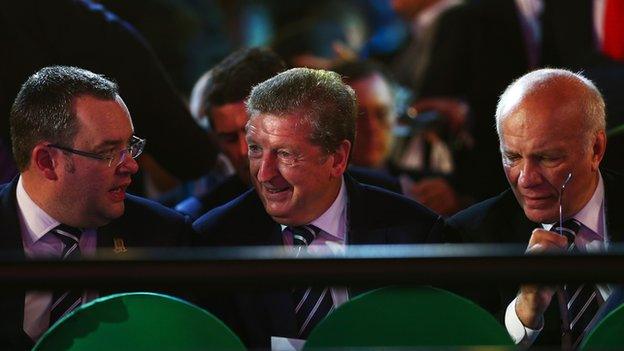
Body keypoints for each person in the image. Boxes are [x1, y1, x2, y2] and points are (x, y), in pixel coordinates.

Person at [193, 67, 444, 348]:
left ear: (337, 158)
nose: (264, 173)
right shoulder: (216, 239)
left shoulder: (414, 234)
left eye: (285, 154)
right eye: (255, 149)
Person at [0, 66, 192, 349]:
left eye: (131, 146)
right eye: (109, 152)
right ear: (46, 161)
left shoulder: (164, 235)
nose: (131, 165)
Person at [445, 68, 623, 348]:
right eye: (512, 157)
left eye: (547, 158)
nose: (526, 178)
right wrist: (523, 313)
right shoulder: (469, 236)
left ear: (596, 149)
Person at [175, 47, 287, 220]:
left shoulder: (341, 187)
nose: (244, 151)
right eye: (229, 139)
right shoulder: (205, 225)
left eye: (252, 132)